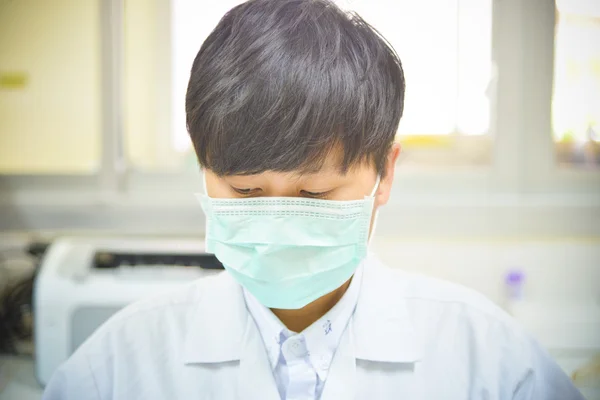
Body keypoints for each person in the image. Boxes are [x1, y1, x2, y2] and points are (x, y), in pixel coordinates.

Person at [42, 0, 584, 399]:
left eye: (313, 193)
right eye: (245, 191)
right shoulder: (119, 365)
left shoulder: (489, 361)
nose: (276, 218)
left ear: (384, 174)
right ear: (204, 169)